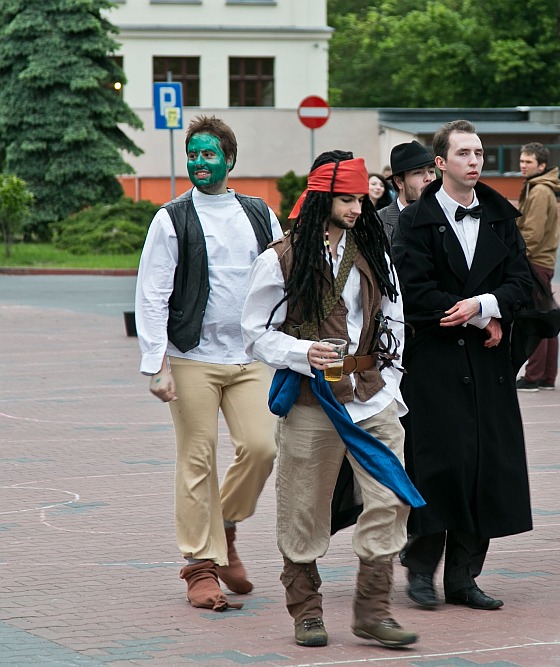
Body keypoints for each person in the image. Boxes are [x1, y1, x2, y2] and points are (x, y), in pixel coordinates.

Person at [242, 150, 419, 648]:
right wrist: (302, 352)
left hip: (372, 397)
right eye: (346, 199)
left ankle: (373, 610)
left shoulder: (374, 252)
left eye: (360, 199)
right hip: (311, 400)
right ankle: (306, 611)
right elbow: (254, 334)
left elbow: (395, 319)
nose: (357, 208)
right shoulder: (280, 257)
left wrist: (391, 384)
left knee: (390, 497)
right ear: (322, 199)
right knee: (303, 506)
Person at [135, 115, 281, 611]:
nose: (199, 162)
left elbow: (281, 279)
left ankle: (225, 527)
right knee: (197, 458)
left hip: (251, 355)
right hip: (191, 356)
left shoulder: (259, 213)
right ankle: (201, 567)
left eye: (209, 154)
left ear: (229, 159)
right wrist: (156, 363)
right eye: (193, 154)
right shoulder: (171, 218)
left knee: (261, 447)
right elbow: (152, 293)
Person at [392, 120, 534, 611]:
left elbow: (522, 282)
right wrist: (478, 316)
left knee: (486, 467)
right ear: (440, 163)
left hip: (490, 365)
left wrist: (487, 306)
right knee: (438, 466)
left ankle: (463, 577)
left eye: (478, 153)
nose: (474, 161)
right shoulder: (415, 220)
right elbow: (414, 291)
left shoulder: (500, 215)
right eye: (463, 153)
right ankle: (420, 568)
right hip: (435, 363)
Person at [515, 141, 560, 392]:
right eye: (522, 161)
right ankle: (547, 376)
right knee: (546, 315)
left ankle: (533, 377)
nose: (523, 165)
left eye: (528, 162)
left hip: (535, 262)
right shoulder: (537, 187)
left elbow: (531, 234)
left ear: (541, 166)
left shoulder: (539, 191)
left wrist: (518, 257)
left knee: (537, 319)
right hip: (541, 261)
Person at [376, 141, 436, 240]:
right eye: (418, 173)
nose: (428, 178)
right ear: (399, 182)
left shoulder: (444, 215)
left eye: (431, 171)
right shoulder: (377, 222)